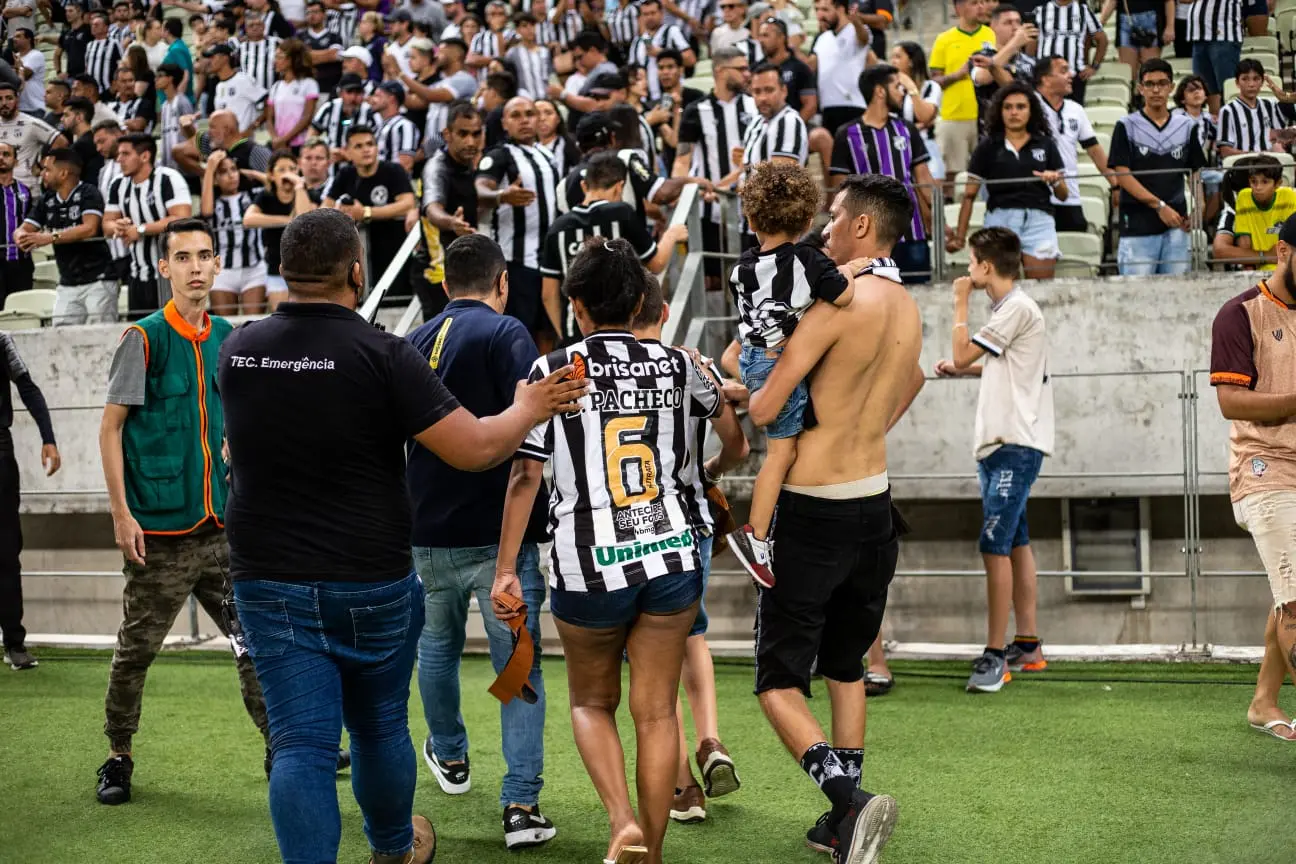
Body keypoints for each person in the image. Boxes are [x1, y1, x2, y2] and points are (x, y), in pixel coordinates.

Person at [219, 207, 584, 864]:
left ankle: (418, 784)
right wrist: (528, 407)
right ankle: (397, 846)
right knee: (382, 721)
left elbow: (234, 448)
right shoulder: (381, 354)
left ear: (283, 272)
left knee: (302, 744)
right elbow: (474, 449)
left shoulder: (239, 349)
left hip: (267, 577)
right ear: (356, 273)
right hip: (370, 574)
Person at [492, 237, 747, 864]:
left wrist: (505, 569)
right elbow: (738, 445)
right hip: (673, 554)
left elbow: (525, 477)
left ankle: (622, 825)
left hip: (587, 561)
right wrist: (703, 470)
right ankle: (651, 852)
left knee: (590, 701)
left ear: (574, 305)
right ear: (639, 300)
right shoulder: (684, 364)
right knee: (657, 713)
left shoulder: (550, 373)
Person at [744, 173, 924, 861]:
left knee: (778, 681)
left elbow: (765, 410)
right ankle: (842, 825)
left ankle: (848, 803)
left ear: (859, 227)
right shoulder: (906, 303)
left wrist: (751, 379)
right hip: (874, 503)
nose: (823, 230)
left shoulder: (836, 305)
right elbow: (908, 382)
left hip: (812, 511)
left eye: (834, 218)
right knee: (847, 664)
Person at [94, 218, 272, 808]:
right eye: (182, 257)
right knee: (136, 650)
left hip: (223, 531)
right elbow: (111, 428)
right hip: (160, 534)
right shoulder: (142, 339)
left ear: (218, 264)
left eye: (204, 256)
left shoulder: (229, 337)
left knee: (255, 644)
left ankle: (284, 745)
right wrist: (122, 514)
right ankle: (118, 754)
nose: (195, 267)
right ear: (164, 268)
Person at [405, 233, 558, 850]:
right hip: (501, 542)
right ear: (502, 284)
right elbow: (528, 437)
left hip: (426, 537)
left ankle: (450, 753)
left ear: (445, 286)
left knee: (436, 648)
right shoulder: (507, 334)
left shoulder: (413, 340)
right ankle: (520, 805)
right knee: (517, 667)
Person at [725, 160, 869, 589]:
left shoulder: (741, 268)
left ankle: (745, 394)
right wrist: (846, 271)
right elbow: (842, 299)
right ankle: (756, 536)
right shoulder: (808, 261)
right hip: (776, 361)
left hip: (748, 355)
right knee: (780, 455)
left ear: (751, 220)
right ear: (809, 220)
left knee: (758, 385)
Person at [933, 226, 1054, 693]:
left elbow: (961, 353)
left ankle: (993, 654)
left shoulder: (1017, 307)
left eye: (970, 264)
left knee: (993, 543)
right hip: (1003, 444)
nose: (967, 272)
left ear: (986, 266)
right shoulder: (1012, 311)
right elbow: (1010, 366)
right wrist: (968, 367)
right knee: (1016, 540)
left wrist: (959, 302)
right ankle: (1027, 644)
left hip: (1014, 445)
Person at [1212, 213, 1296, 744]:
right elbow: (1230, 401)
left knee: (1290, 592)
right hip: (1263, 469)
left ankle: (1264, 701)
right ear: (1284, 251)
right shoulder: (1240, 313)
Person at [541, 151, 686, 339]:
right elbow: (656, 263)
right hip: (623, 334)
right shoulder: (621, 213)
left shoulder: (557, 228)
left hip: (575, 334)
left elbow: (548, 294)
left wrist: (564, 335)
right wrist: (671, 235)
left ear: (584, 186)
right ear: (620, 187)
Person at [948, 82, 1067, 280]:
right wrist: (960, 238)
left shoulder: (1046, 145)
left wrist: (1054, 181)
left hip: (1039, 221)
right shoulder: (987, 147)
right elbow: (969, 195)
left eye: (1020, 107)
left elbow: (1063, 195)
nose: (1014, 112)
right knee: (1003, 294)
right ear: (999, 111)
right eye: (1008, 107)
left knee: (1041, 290)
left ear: (1032, 111)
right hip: (999, 222)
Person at [830, 64, 935, 283]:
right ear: (880, 91)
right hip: (868, 236)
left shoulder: (907, 129)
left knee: (919, 295)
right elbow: (840, 189)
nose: (902, 91)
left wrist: (939, 220)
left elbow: (924, 179)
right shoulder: (847, 134)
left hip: (911, 230)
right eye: (897, 86)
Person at [475, 96, 560, 343]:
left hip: (548, 259)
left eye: (529, 114)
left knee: (548, 331)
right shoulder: (499, 155)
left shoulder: (546, 154)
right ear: (504, 123)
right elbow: (479, 190)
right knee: (521, 333)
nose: (524, 120)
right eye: (515, 115)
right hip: (515, 261)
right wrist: (502, 196)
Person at [1109, 58, 1204, 276]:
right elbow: (1122, 175)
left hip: (1177, 226)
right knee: (1136, 296)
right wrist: (1159, 206)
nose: (1156, 90)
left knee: (1177, 296)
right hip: (1137, 227)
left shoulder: (1186, 125)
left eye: (1162, 83)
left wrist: (1198, 209)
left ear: (1171, 87)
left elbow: (1195, 172)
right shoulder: (1126, 126)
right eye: (1150, 84)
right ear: (1140, 88)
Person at [0, 319, 59, 672]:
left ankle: (15, 642)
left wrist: (48, 437)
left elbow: (28, 388)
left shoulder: (1, 341)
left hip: (1, 455)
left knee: (7, 551)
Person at [673, 47, 755, 291]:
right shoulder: (695, 111)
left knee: (748, 277)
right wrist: (688, 188)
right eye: (740, 69)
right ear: (720, 71)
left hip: (747, 208)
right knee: (713, 279)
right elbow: (681, 161)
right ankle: (720, 331)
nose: (747, 74)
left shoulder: (753, 107)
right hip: (709, 207)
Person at [13, 149, 117, 325]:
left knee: (102, 334)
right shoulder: (47, 200)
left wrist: (50, 237)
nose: (42, 175)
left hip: (99, 279)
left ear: (63, 173)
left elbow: (89, 228)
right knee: (60, 334)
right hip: (67, 282)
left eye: (47, 170)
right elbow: (23, 228)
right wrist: (20, 236)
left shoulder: (88, 192)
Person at [103, 132, 193, 318]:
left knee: (172, 332)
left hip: (170, 276)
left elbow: (182, 218)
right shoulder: (118, 184)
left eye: (125, 154)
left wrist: (141, 230)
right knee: (140, 335)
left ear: (145, 156)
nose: (119, 159)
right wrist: (118, 227)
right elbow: (106, 224)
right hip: (137, 274)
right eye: (119, 154)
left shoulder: (168, 178)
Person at [322, 123, 417, 294]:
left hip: (394, 252)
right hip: (359, 256)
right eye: (358, 146)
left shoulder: (393, 170)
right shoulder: (345, 174)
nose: (366, 150)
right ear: (348, 152)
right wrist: (341, 211)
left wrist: (365, 212)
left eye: (370, 144)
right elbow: (325, 208)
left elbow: (408, 203)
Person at [1034, 55, 1116, 235]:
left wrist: (1115, 184)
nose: (1071, 74)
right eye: (1063, 71)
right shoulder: (1029, 106)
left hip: (1070, 197)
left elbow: (1094, 150)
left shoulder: (1076, 109)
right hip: (1036, 198)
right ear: (1045, 79)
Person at [419, 101, 482, 319]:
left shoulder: (467, 164)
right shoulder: (437, 166)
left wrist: (501, 196)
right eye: (463, 134)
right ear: (447, 134)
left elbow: (473, 193)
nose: (470, 141)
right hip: (438, 272)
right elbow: (432, 209)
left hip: (462, 266)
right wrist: (451, 222)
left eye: (476, 134)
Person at [929, 0, 996, 187]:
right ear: (958, 8)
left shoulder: (991, 34)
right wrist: (958, 75)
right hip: (954, 116)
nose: (981, 7)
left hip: (986, 116)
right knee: (954, 175)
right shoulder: (944, 39)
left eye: (982, 2)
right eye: (974, 3)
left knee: (988, 172)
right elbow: (934, 82)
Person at [244, 148, 318, 307]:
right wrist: (286, 220)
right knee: (281, 317)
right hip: (276, 268)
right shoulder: (266, 196)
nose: (288, 174)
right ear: (271, 175)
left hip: (306, 270)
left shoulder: (308, 194)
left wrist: (299, 186)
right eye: (282, 170)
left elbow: (304, 219)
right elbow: (248, 219)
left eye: (292, 169)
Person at [202, 150, 266, 315]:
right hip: (223, 271)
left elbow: (277, 185)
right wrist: (209, 169)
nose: (231, 175)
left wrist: (250, 173)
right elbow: (206, 212)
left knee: (253, 326)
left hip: (254, 268)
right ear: (215, 179)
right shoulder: (213, 202)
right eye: (223, 172)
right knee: (225, 329)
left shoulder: (253, 196)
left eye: (234, 169)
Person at [1214, 155, 1296, 270]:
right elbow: (1220, 250)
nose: (1258, 187)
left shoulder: (1290, 197)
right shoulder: (1236, 207)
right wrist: (1266, 256)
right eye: (1254, 182)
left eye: (1264, 182)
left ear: (1277, 184)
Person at [807, 0, 870, 134]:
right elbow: (810, 67)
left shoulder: (855, 31)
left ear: (840, 9)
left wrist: (856, 21)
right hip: (827, 108)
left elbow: (863, 39)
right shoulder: (822, 38)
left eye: (825, 10)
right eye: (817, 10)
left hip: (853, 106)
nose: (819, 15)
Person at [1030, 0, 1106, 104]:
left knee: (1072, 113)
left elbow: (1102, 39)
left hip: (1074, 76)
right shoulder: (1040, 10)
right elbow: (1032, 41)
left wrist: (1094, 66)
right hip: (1046, 76)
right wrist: (1033, 65)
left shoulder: (1083, 10)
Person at [889, 41, 944, 180]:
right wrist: (917, 126)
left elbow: (924, 116)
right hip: (896, 146)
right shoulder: (890, 88)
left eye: (898, 57)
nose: (893, 61)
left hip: (925, 145)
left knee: (932, 193)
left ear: (912, 61)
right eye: (892, 57)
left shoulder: (931, 87)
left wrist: (911, 88)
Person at [1218, 59, 1292, 158]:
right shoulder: (1228, 111)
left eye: (1256, 79)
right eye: (1245, 79)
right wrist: (1256, 156)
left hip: (1270, 165)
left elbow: (1278, 141)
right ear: (1237, 83)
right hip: (1242, 165)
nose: (1251, 84)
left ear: (1262, 82)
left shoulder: (1270, 105)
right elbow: (1225, 151)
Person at [628, 0, 695, 101]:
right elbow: (631, 71)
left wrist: (660, 53)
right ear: (640, 18)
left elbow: (691, 59)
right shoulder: (637, 41)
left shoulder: (672, 32)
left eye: (653, 13)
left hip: (673, 96)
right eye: (645, 14)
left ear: (661, 13)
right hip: (646, 100)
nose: (650, 17)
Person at [0, 81, 59, 189]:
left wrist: (43, 164)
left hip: (27, 189)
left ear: (17, 100)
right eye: (0, 99)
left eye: (9, 98)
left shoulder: (31, 123)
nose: (4, 103)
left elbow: (60, 141)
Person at [1187, 0, 1242, 115]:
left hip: (1223, 35)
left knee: (1227, 87)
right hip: (1198, 36)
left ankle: (1233, 124)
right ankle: (1216, 127)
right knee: (1206, 89)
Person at [266, 39, 318, 152]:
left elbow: (307, 117)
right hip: (278, 145)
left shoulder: (309, 84)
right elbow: (270, 118)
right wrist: (276, 139)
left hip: (300, 144)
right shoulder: (276, 86)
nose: (276, 61)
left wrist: (285, 139)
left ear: (291, 59)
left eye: (280, 57)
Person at [205, 43, 267, 137]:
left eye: (212, 57)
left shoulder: (242, 80)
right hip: (227, 143)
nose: (209, 61)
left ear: (225, 58)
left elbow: (269, 102)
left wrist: (253, 127)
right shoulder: (219, 86)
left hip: (244, 143)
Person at [1101, 0, 1175, 78]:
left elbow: (1169, 1)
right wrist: (1099, 24)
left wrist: (1170, 27)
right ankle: (1132, 88)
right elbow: (1111, 1)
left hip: (1150, 19)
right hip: (1127, 20)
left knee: (1151, 70)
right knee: (1128, 72)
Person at [0, 141, 34, 300]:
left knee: (21, 308)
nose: (1, 158)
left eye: (6, 154)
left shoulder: (24, 191)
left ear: (16, 161)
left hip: (21, 263)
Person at [370, 81, 421, 173]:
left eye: (378, 96)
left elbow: (406, 164)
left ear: (391, 99)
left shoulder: (404, 126)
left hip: (393, 185)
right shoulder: (378, 127)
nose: (372, 100)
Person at [85, 11, 124, 95]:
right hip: (91, 91)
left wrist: (114, 87)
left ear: (106, 28)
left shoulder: (114, 43)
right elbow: (87, 67)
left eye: (96, 25)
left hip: (107, 89)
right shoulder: (89, 45)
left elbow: (121, 66)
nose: (93, 27)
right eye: (92, 25)